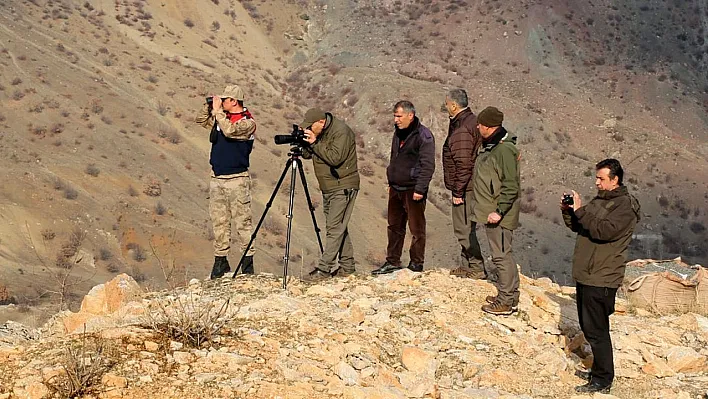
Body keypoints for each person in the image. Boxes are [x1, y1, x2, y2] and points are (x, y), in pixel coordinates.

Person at [561, 158, 640, 394]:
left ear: (615, 180)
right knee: (589, 326)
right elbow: (581, 226)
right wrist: (569, 212)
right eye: (596, 178)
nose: (596, 183)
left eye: (601, 179)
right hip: (587, 273)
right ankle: (598, 371)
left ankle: (603, 380)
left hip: (603, 275)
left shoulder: (624, 206)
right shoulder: (602, 201)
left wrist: (582, 210)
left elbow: (603, 231)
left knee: (597, 330)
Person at [195, 85, 256, 279]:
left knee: (242, 223)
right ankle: (220, 261)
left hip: (237, 179)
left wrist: (218, 112)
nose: (222, 102)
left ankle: (247, 264)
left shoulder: (247, 122)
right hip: (218, 178)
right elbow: (200, 120)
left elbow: (230, 132)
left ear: (234, 101)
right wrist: (209, 108)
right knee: (219, 221)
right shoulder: (222, 118)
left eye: (225, 99)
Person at [372, 101, 435, 275]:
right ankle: (392, 261)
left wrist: (420, 189)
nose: (396, 120)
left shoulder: (424, 136)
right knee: (394, 226)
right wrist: (390, 180)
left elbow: (428, 165)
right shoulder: (398, 133)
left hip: (413, 188)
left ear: (410, 115)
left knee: (416, 228)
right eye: (394, 116)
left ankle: (416, 263)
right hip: (396, 187)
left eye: (399, 116)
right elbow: (395, 157)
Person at [299, 108, 360, 282]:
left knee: (334, 228)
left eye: (310, 127)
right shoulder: (320, 133)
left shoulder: (341, 132)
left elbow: (335, 158)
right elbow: (310, 154)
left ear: (321, 122)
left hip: (343, 185)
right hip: (329, 187)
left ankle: (324, 270)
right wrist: (305, 144)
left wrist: (314, 142)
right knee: (339, 226)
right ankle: (347, 267)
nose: (309, 130)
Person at [472, 107, 522, 316]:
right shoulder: (491, 146)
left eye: (481, 124)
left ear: (490, 127)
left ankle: (506, 301)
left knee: (501, 256)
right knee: (503, 254)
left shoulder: (503, 150)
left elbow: (511, 185)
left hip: (499, 215)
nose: (477, 127)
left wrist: (499, 211)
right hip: (491, 210)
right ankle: (510, 295)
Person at [442, 89, 486, 279]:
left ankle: (476, 267)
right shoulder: (472, 121)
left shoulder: (462, 130)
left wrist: (457, 192)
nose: (445, 107)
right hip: (471, 185)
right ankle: (466, 265)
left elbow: (464, 163)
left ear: (453, 105)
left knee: (463, 228)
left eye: (446, 104)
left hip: (466, 188)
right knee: (466, 226)